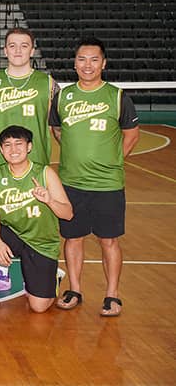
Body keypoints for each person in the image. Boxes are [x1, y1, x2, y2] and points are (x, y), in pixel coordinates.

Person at [50, 38, 139, 317]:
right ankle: (74, 289)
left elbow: (131, 135)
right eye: (81, 59)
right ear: (74, 63)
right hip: (71, 182)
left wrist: (112, 161)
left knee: (108, 240)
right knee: (73, 238)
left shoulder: (116, 96)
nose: (87, 65)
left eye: (93, 59)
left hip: (107, 184)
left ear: (103, 63)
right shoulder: (63, 96)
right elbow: (57, 129)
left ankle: (112, 295)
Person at [0, 27, 59, 292]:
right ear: (5, 50)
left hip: (35, 163)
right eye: (12, 45)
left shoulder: (47, 83)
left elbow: (54, 122)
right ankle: (1, 271)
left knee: (34, 213)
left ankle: (39, 265)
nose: (18, 51)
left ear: (32, 50)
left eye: (24, 46)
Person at [0, 125, 73, 314]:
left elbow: (68, 214)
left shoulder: (45, 173)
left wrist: (50, 200)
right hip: (13, 234)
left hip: (41, 243)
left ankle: (51, 278)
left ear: (29, 147)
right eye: (7, 145)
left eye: (18, 144)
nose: (13, 150)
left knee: (38, 307)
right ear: (1, 149)